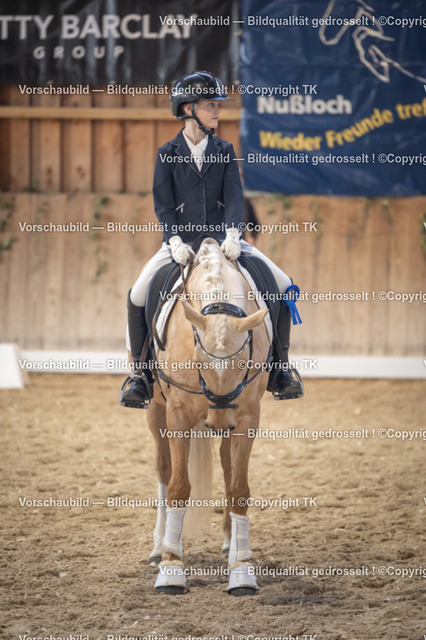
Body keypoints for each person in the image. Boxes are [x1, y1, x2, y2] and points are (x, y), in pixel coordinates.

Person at [120, 70, 303, 409]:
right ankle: (140, 374)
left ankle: (281, 368)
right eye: (210, 105)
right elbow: (163, 204)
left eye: (218, 105)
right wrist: (174, 240)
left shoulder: (224, 150)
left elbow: (234, 196)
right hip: (180, 244)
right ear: (188, 109)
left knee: (283, 284)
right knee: (137, 295)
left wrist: (233, 232)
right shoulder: (167, 153)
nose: (218, 111)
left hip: (225, 240)